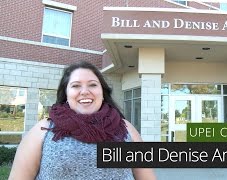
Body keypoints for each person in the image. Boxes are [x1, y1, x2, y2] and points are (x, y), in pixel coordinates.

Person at [9, 61, 156, 180]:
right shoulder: (43, 131)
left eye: (92, 84)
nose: (85, 91)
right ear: (66, 94)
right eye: (76, 86)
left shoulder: (126, 129)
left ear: (102, 92)